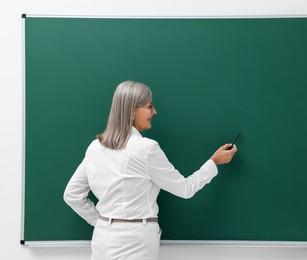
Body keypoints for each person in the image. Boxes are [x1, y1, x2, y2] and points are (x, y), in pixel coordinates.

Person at [63, 80, 238, 260]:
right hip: (135, 241)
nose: (154, 112)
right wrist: (213, 162)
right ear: (132, 110)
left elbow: (72, 195)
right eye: (149, 106)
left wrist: (103, 222)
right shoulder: (146, 148)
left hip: (102, 237)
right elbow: (185, 189)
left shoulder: (95, 147)